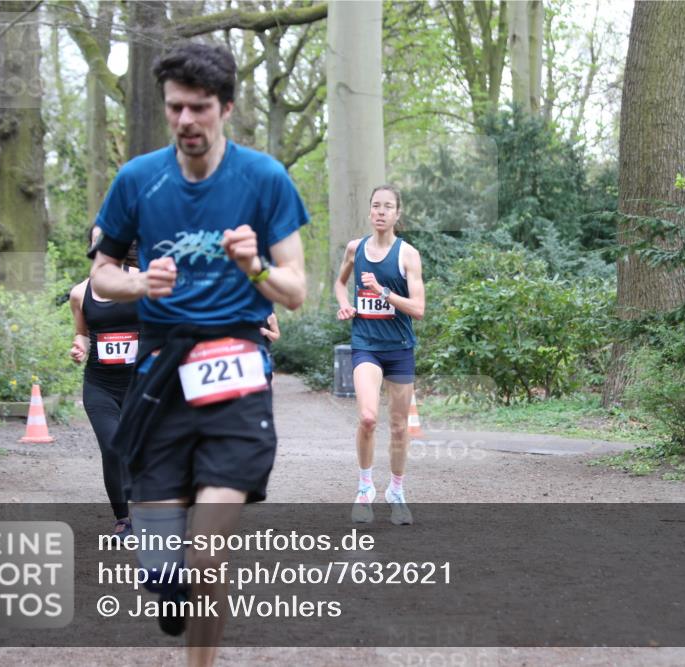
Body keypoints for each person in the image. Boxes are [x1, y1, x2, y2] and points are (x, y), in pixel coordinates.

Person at [87, 41, 308, 665]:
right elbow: (103, 274)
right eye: (175, 108)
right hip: (160, 374)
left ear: (227, 108)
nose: (185, 120)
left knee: (208, 556)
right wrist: (139, 283)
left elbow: (294, 292)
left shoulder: (263, 178)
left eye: (199, 108)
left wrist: (253, 264)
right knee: (165, 575)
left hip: (236, 369)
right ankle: (164, 585)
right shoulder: (137, 179)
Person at [334, 184, 425, 526]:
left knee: (400, 427)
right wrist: (345, 305)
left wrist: (383, 292)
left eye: (388, 206)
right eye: (376, 206)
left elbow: (418, 308)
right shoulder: (355, 249)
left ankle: (397, 492)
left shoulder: (408, 255)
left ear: (397, 213)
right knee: (369, 418)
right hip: (366, 345)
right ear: (370, 212)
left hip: (400, 350)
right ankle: (364, 489)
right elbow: (340, 284)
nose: (381, 211)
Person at [69, 226, 141, 539]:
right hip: (100, 385)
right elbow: (82, 332)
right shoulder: (80, 292)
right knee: (112, 447)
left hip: (142, 384)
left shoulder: (141, 279)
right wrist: (79, 345)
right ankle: (123, 519)